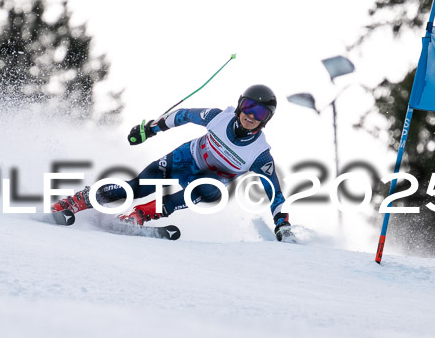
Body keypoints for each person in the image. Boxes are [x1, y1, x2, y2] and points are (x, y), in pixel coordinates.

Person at [51, 84, 293, 241]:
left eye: (260, 113)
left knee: (210, 190)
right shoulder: (219, 117)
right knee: (138, 187)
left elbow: (274, 192)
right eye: (249, 107)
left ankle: (139, 215)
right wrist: (150, 130)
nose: (251, 115)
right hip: (184, 158)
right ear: (240, 105)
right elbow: (183, 115)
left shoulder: (260, 154)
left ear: (266, 120)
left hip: (210, 180)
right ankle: (77, 201)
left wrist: (282, 224)